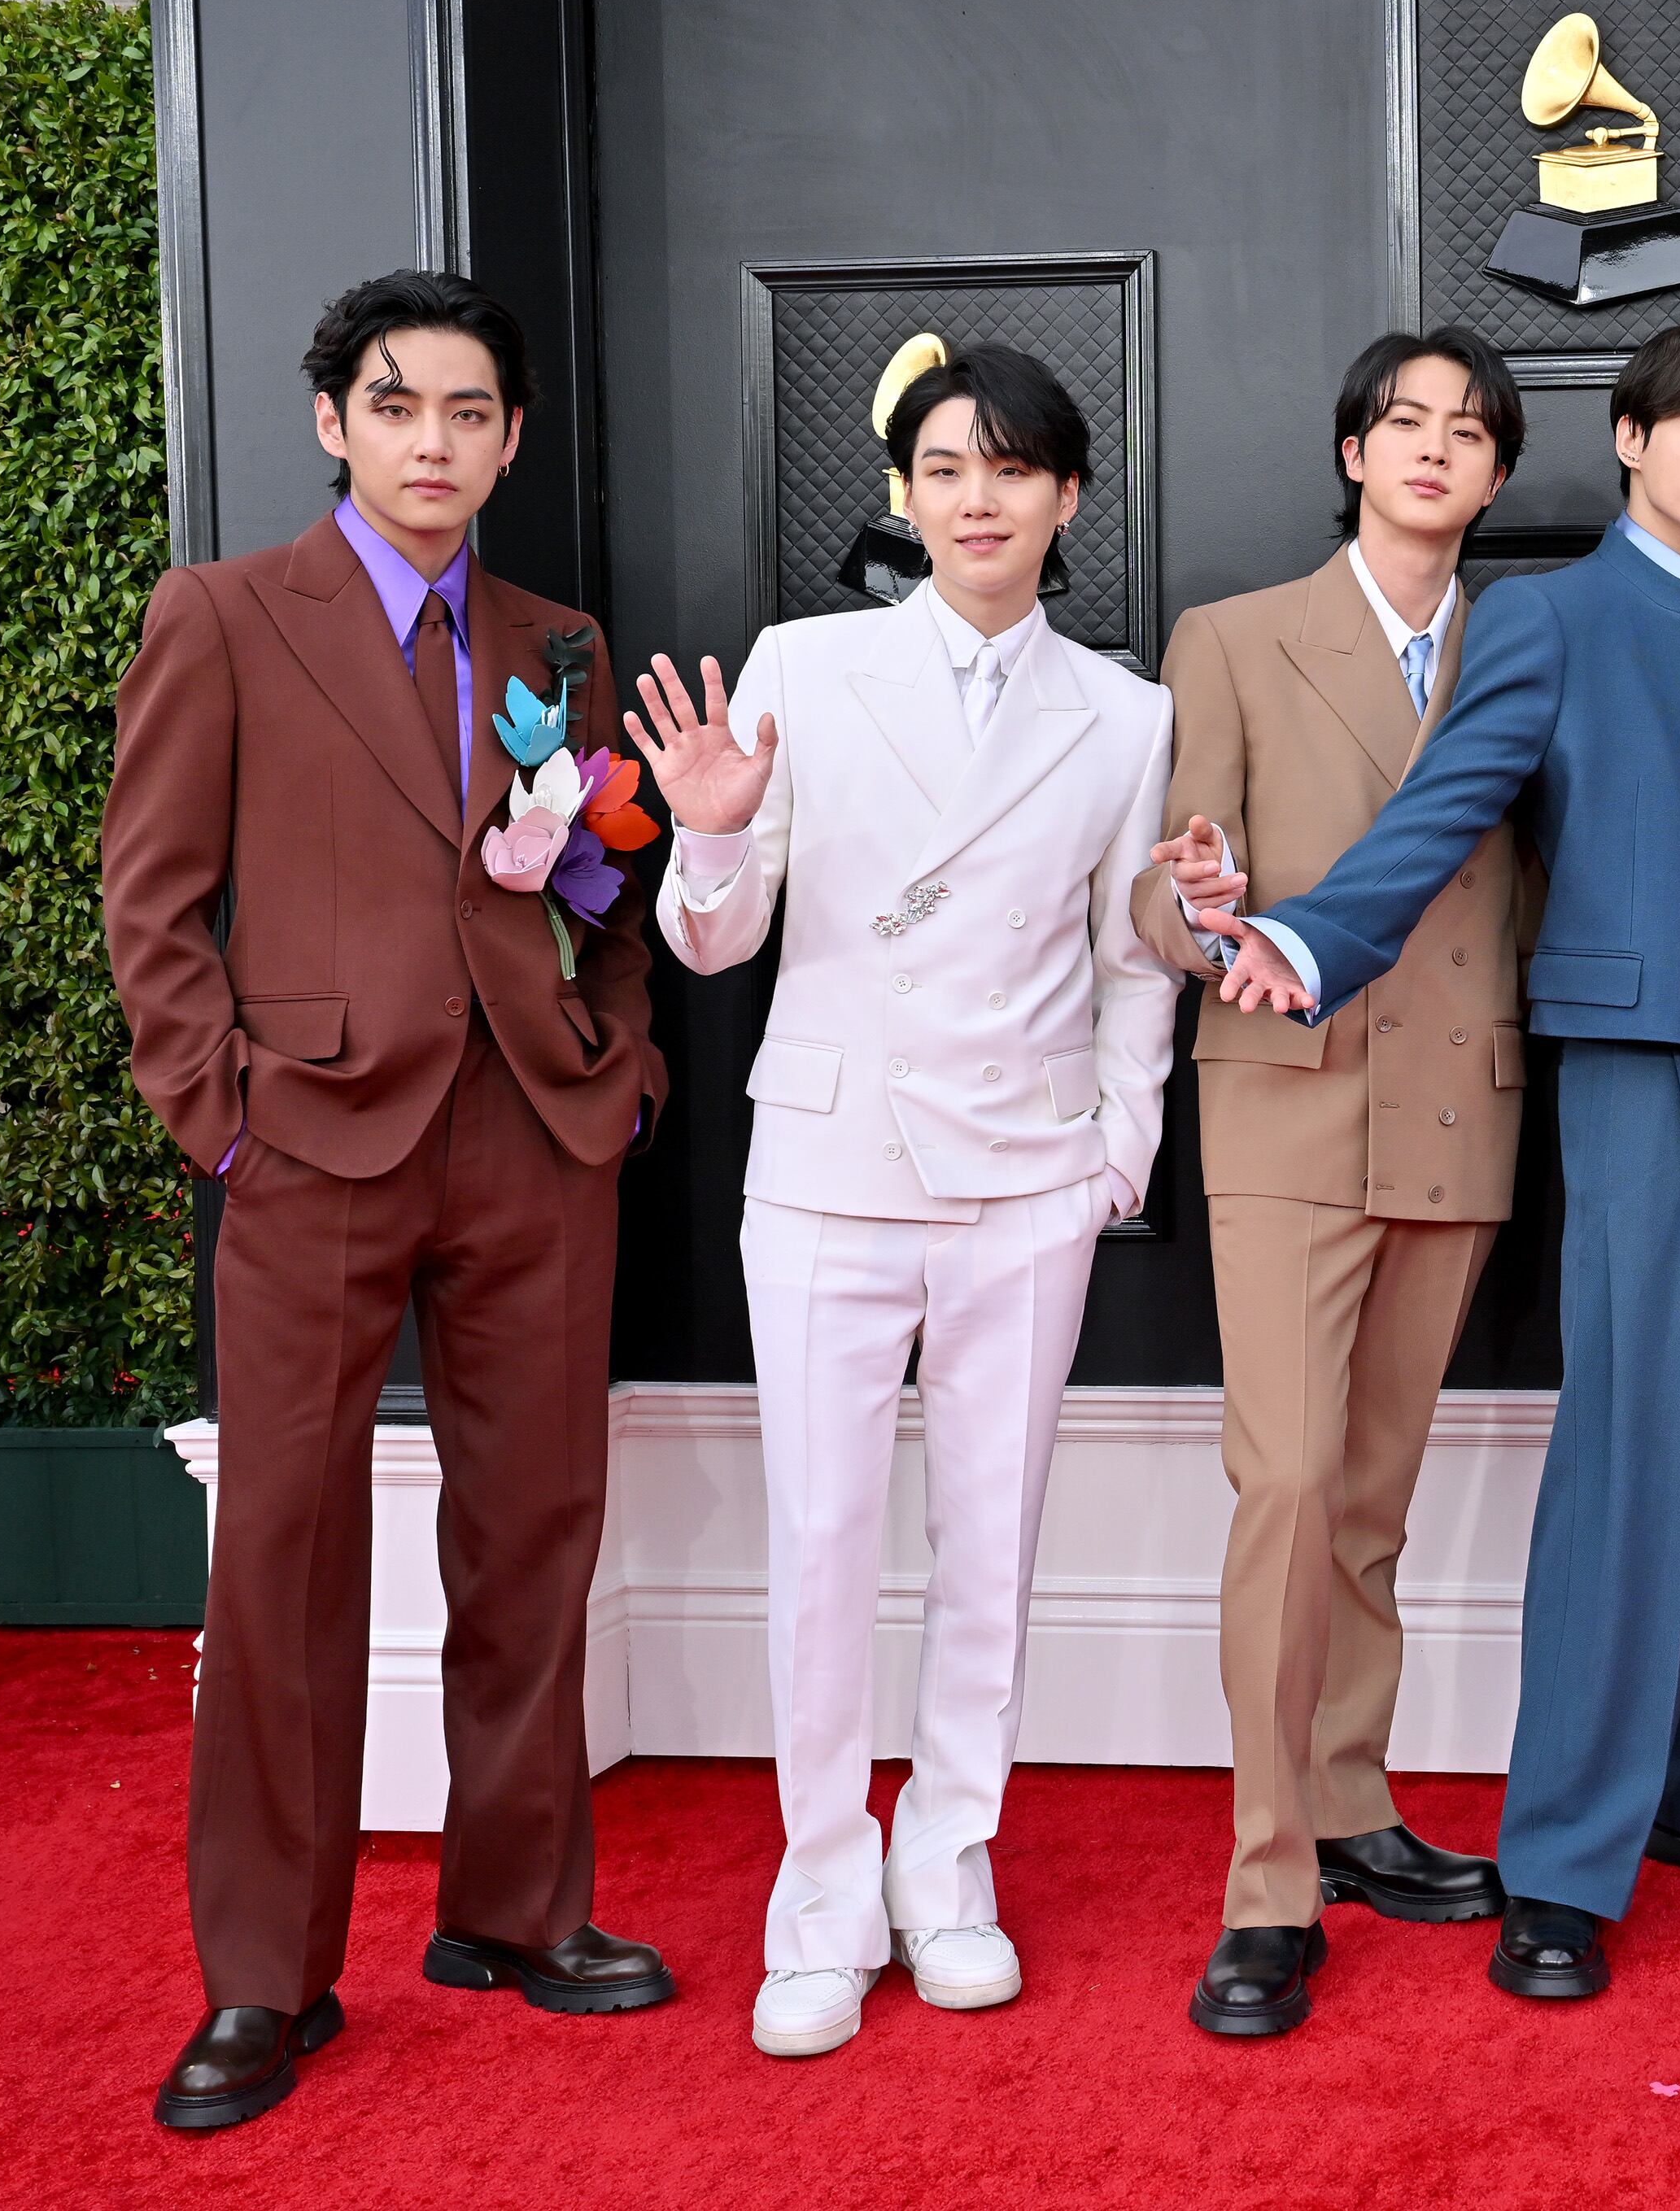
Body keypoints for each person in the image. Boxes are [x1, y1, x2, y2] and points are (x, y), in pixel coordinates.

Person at [1198, 320, 1680, 2003]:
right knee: (1638, 1445)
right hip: (1649, 1058)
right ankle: (1567, 1864)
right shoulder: (1552, 616)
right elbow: (1442, 809)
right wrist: (1310, 931)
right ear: (1627, 442)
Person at [107, 271, 674, 2130]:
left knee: (533, 1541)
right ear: (335, 422)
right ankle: (266, 1983)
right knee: (280, 1562)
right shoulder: (221, 617)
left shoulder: (557, 642)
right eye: (397, 405)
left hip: (533, 1137)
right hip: (312, 1146)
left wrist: (617, 1059)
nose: (434, 441)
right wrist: (226, 1124)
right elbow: (155, 902)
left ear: (509, 437)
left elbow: (591, 878)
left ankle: (513, 1915)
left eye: (469, 412)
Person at [634, 342, 1177, 2060]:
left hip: (1026, 1179)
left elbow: (1132, 961)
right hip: (826, 1172)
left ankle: (951, 1868)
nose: (978, 498)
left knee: (991, 1553)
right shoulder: (807, 665)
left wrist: (1117, 1151)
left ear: (1068, 498)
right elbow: (710, 939)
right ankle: (819, 1896)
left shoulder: (1128, 714)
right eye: (947, 467)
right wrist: (709, 842)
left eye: (1014, 470)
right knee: (820, 1547)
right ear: (905, 492)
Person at [1130, 329, 1536, 2037]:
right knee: (1287, 1489)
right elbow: (1160, 901)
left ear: (1498, 475)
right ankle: (1269, 1877)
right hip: (1288, 1107)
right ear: (1353, 451)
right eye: (1404, 422)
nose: (1435, 449)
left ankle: (1357, 1803)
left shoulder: (1527, 645)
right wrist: (1198, 901)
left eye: (1468, 431)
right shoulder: (1232, 638)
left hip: (1455, 1108)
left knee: (1370, 1500)